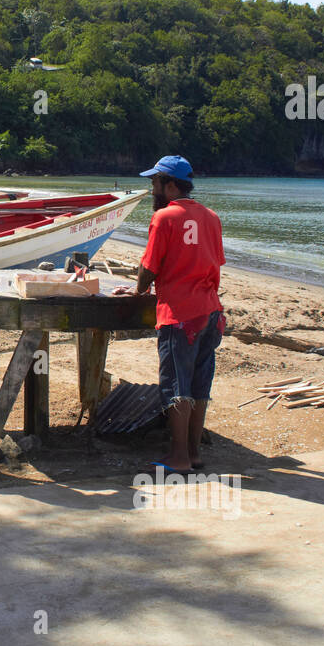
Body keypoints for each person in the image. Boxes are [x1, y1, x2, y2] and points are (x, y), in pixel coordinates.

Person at [114, 155, 224, 473]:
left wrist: (137, 291)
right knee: (200, 385)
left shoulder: (164, 218)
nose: (152, 190)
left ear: (171, 185)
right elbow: (214, 263)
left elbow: (149, 267)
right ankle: (193, 454)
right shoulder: (212, 217)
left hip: (179, 315)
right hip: (211, 313)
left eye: (155, 183)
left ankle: (177, 458)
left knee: (176, 385)